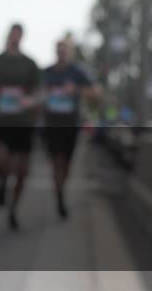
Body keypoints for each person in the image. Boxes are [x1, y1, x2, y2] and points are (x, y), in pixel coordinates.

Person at [0, 23, 40, 230]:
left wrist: (31, 101)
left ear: (22, 37)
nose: (15, 38)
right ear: (8, 36)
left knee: (22, 170)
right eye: (12, 35)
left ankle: (13, 208)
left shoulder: (30, 64)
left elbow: (38, 92)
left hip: (22, 123)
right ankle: (0, 182)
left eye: (18, 35)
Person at [41, 36, 100, 219]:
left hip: (71, 125)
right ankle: (59, 196)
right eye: (58, 49)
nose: (61, 52)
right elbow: (36, 93)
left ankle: (61, 186)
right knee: (57, 161)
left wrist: (76, 90)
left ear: (69, 51)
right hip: (52, 124)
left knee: (66, 163)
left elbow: (96, 92)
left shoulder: (78, 72)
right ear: (55, 51)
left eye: (64, 49)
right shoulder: (47, 72)